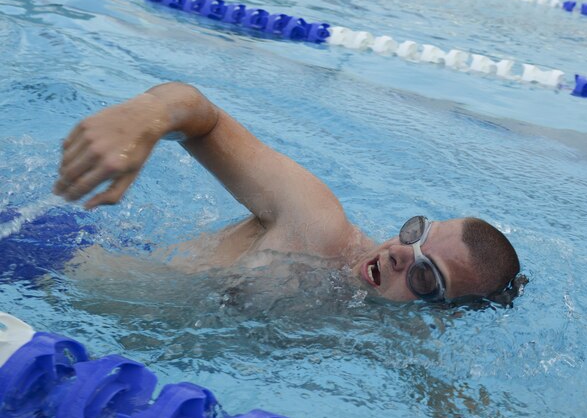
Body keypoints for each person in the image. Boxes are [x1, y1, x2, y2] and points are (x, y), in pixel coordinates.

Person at [52, 82, 524, 304]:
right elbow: (200, 115)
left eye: (426, 275)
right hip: (50, 261)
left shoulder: (377, 329)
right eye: (415, 233)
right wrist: (144, 118)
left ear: (443, 313)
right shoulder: (317, 225)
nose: (401, 253)